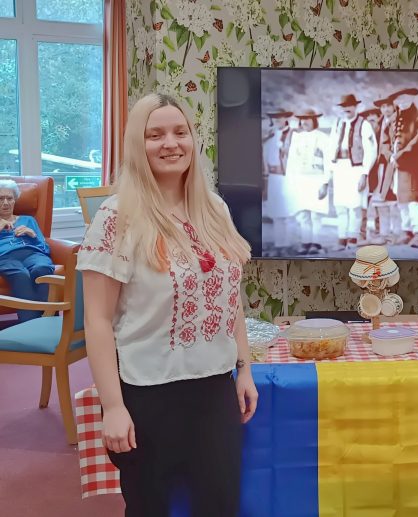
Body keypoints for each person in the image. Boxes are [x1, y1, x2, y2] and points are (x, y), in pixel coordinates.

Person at [78, 93, 258, 517]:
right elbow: (98, 321)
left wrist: (243, 367)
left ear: (194, 141)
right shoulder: (117, 216)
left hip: (214, 388)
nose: (170, 143)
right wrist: (114, 407)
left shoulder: (213, 208)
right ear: (137, 146)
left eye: (180, 132)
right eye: (154, 134)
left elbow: (228, 298)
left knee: (219, 506)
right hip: (148, 393)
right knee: (150, 508)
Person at [326, 94, 377, 251]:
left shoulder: (364, 124)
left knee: (355, 205)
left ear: (355, 107)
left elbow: (371, 151)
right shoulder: (337, 124)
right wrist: (331, 170)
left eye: (349, 106)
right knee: (340, 205)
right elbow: (331, 147)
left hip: (356, 167)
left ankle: (353, 238)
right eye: (343, 106)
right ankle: (342, 238)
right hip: (340, 167)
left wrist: (364, 173)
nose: (346, 109)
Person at [0, 179, 55, 323]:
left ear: (15, 200)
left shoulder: (28, 220)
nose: (5, 203)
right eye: (0, 198)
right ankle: (31, 324)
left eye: (9, 198)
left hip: (33, 254)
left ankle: (49, 320)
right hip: (5, 258)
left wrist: (33, 235)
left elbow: (45, 249)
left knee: (42, 268)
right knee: (20, 275)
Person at [389, 88, 418, 249]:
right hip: (401, 164)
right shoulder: (398, 118)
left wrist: (401, 154)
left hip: (416, 164)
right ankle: (406, 230)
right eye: (398, 100)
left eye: (404, 100)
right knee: (402, 199)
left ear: (411, 99)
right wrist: (393, 154)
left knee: (415, 199)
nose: (401, 103)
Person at [284, 109, 330, 255]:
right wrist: (290, 181)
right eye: (302, 119)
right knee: (303, 213)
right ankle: (305, 242)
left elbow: (328, 162)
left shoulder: (323, 137)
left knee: (316, 213)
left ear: (314, 120)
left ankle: (316, 243)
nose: (304, 122)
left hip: (317, 179)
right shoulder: (297, 137)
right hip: (301, 179)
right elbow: (291, 161)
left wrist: (325, 182)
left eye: (308, 119)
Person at [364, 97, 400, 245]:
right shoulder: (376, 128)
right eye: (383, 107)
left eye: (388, 106)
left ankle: (397, 232)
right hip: (378, 167)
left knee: (394, 200)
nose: (386, 109)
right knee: (379, 200)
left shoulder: (394, 124)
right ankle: (383, 232)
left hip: (391, 164)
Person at [262, 108, 294, 256]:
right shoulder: (271, 135)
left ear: (285, 118)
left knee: (285, 211)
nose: (277, 120)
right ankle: (278, 244)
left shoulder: (293, 135)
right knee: (275, 212)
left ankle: (286, 244)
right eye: (275, 117)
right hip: (272, 176)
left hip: (286, 176)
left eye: (280, 117)